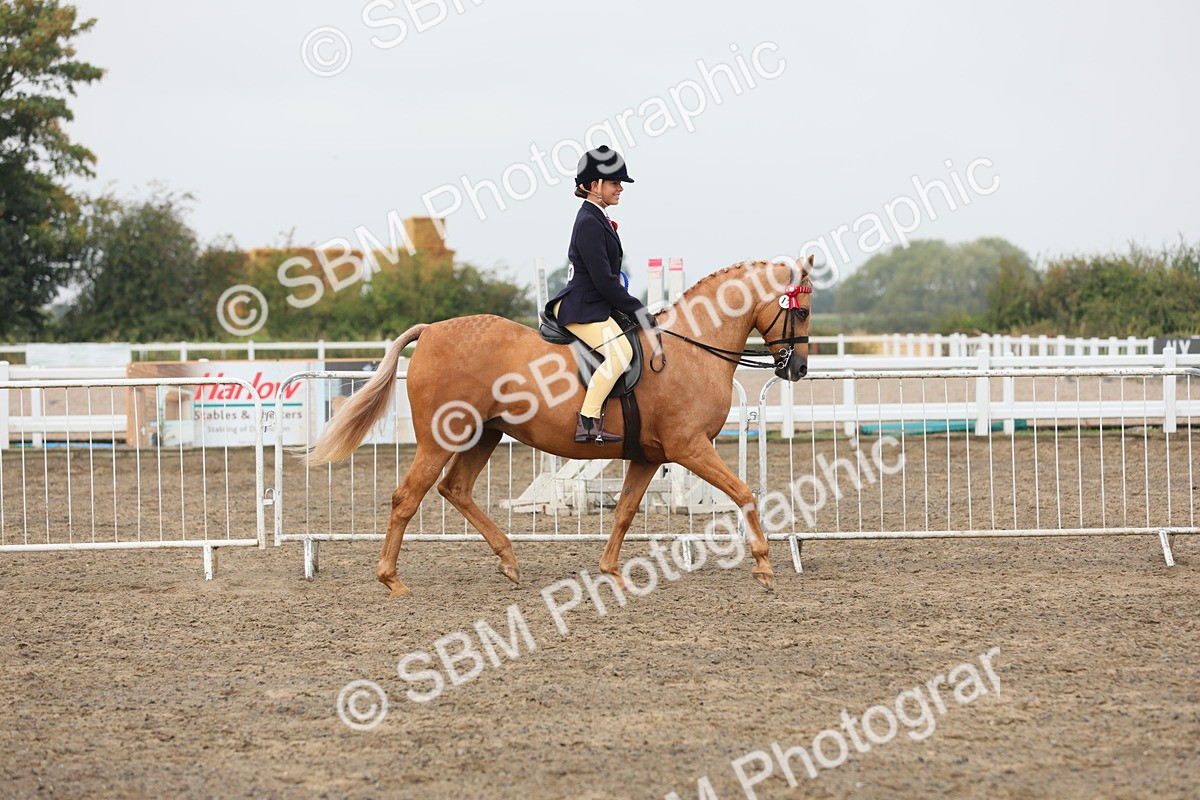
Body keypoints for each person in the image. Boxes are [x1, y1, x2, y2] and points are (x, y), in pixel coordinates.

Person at [545, 145, 652, 444]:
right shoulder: (589, 222)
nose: (620, 188)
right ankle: (587, 421)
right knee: (621, 354)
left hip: (594, 304)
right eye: (615, 183)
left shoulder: (598, 217)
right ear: (594, 186)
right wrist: (640, 311)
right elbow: (605, 282)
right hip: (582, 307)